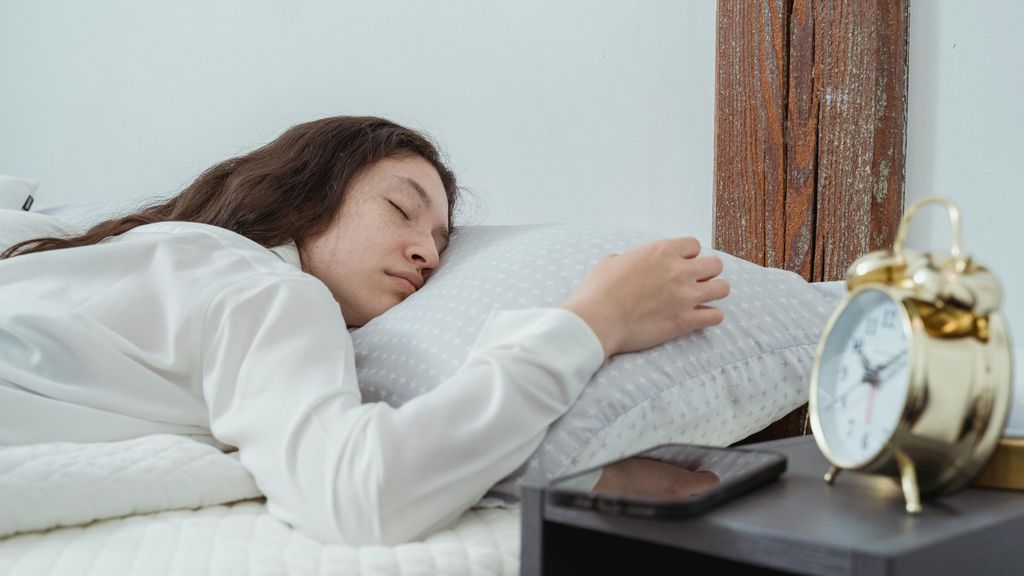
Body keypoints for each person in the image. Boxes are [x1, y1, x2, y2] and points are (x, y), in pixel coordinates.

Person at [0, 115, 730, 545]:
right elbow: (360, 491)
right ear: (306, 190)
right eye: (401, 210)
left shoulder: (132, 250)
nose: (427, 252)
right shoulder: (263, 290)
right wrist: (593, 320)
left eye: (443, 244)